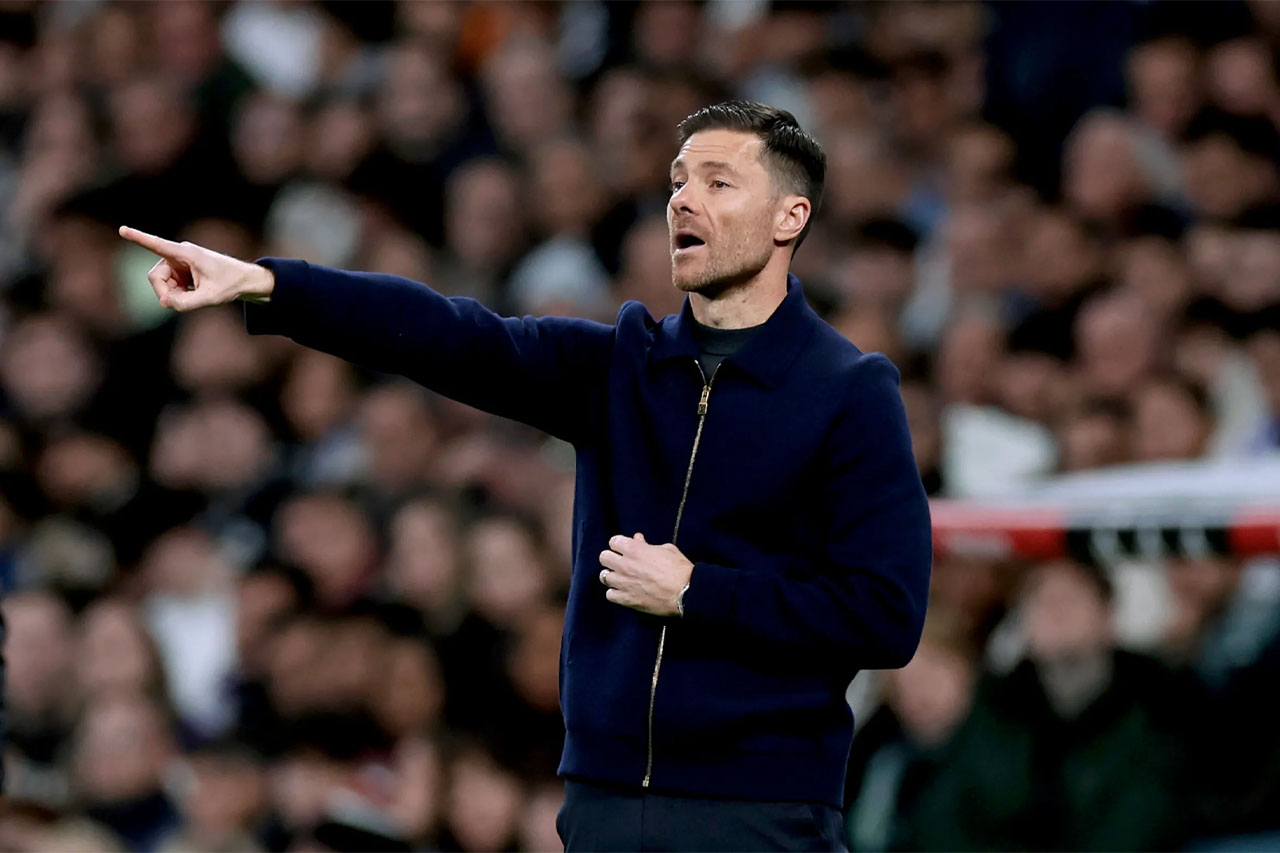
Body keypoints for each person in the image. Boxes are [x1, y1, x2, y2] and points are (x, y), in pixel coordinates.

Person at [118, 100, 932, 852]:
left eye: (719, 182)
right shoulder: (620, 367)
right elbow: (445, 334)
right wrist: (270, 285)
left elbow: (886, 616)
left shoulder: (849, 393)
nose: (685, 201)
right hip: (603, 801)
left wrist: (699, 591)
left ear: (791, 216)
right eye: (678, 181)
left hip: (762, 809)